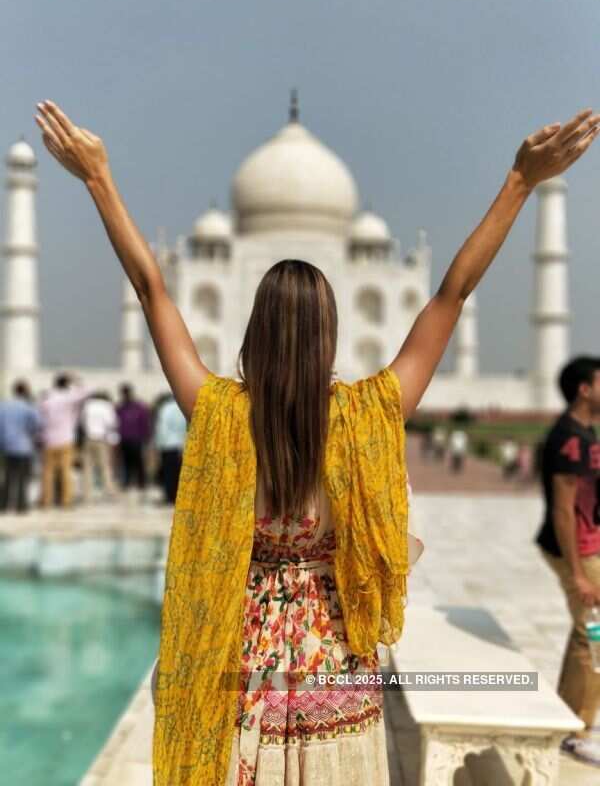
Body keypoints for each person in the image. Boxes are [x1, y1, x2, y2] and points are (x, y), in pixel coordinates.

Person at [34, 97, 600, 783]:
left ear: (254, 331)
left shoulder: (219, 415)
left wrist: (99, 178)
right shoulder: (368, 414)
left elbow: (152, 289)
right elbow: (452, 293)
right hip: (337, 662)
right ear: (331, 334)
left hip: (241, 659)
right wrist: (519, 181)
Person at [534, 357, 600, 765]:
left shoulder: (587, 433)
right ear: (585, 389)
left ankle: (570, 717)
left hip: (590, 543)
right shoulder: (568, 439)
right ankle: (574, 730)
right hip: (574, 549)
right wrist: (577, 574)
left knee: (589, 632)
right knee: (591, 632)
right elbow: (562, 510)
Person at [38, 372, 90, 508]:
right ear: (66, 384)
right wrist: (75, 379)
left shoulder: (47, 400)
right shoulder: (69, 398)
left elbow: (40, 419)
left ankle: (46, 501)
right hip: (66, 439)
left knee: (47, 473)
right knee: (66, 471)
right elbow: (86, 392)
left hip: (49, 439)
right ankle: (66, 501)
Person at [0, 380, 42, 514]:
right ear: (26, 392)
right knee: (23, 478)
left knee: (7, 477)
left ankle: (4, 505)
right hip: (24, 446)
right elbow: (38, 424)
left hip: (6, 446)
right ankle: (21, 506)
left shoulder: (3, 405)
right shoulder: (28, 407)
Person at [80, 390, 119, 502]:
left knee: (87, 467)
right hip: (101, 439)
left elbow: (82, 422)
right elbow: (112, 423)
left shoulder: (87, 405)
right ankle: (109, 491)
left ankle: (87, 494)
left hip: (88, 438)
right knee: (105, 466)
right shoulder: (107, 406)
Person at [116, 383, 151, 504]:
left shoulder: (139, 407)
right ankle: (127, 482)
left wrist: (146, 437)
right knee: (126, 462)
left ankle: (141, 483)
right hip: (126, 439)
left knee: (138, 462)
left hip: (136, 439)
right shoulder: (120, 407)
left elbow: (144, 422)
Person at [153, 393, 187, 504]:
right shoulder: (182, 406)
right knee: (178, 471)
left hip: (167, 444)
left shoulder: (165, 408)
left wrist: (158, 445)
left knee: (168, 472)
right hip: (180, 443)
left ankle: (169, 496)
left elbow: (162, 427)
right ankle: (178, 495)